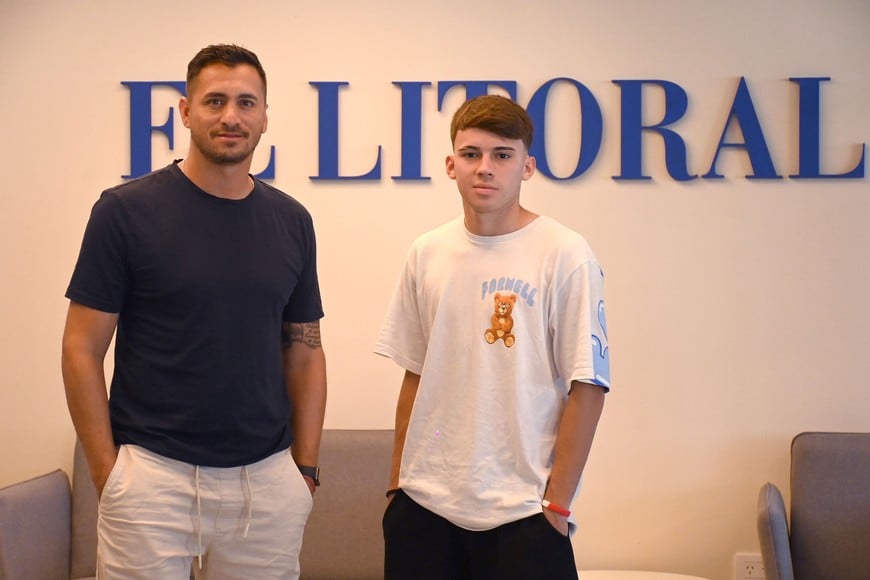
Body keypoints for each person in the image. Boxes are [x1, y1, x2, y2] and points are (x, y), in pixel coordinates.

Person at [61, 44, 327, 579]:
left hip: (266, 482)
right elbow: (80, 348)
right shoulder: (125, 212)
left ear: (265, 116)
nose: (231, 116)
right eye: (215, 101)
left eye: (247, 102)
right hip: (153, 479)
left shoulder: (292, 220)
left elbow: (305, 349)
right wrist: (106, 472)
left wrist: (305, 469)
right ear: (186, 111)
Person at [375, 94, 611, 580]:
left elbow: (587, 387)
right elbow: (415, 376)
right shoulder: (428, 252)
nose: (485, 168)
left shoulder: (564, 253)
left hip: (524, 513)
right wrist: (398, 483)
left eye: (502, 155)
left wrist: (557, 505)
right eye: (471, 154)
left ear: (527, 166)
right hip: (423, 507)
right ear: (450, 164)